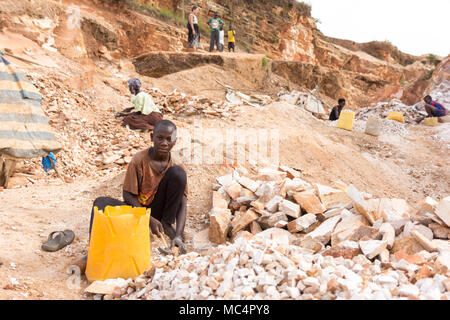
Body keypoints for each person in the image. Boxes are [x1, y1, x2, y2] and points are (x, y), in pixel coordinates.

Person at [74, 120, 188, 273]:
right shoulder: (139, 160)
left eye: (169, 139)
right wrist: (146, 217)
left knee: (178, 174)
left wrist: (179, 234)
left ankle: (167, 227)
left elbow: (182, 202)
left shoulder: (177, 164)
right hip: (138, 211)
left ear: (175, 141)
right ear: (151, 137)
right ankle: (93, 250)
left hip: (160, 212)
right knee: (100, 202)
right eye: (160, 138)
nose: (164, 143)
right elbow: (127, 194)